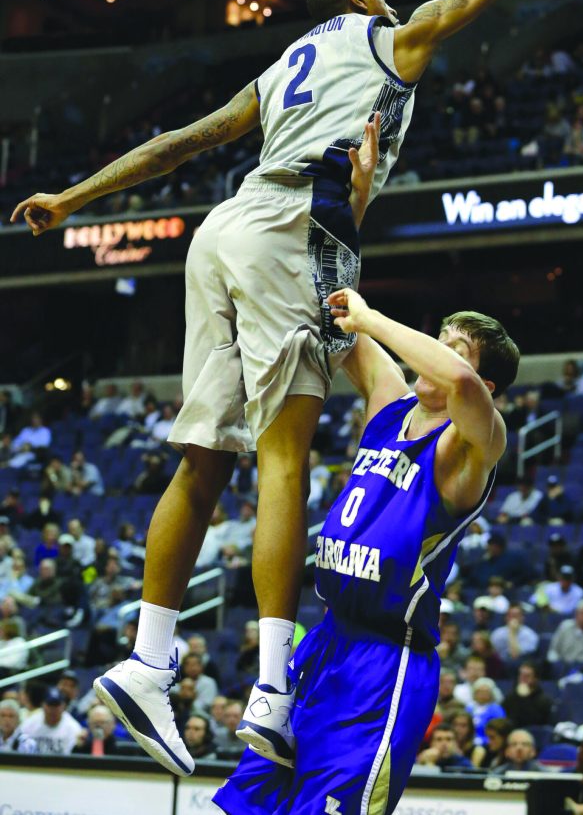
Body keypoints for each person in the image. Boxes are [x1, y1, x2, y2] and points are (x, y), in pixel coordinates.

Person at [12, 0, 583, 783]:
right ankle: (270, 693)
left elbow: (184, 140)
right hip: (294, 229)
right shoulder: (388, 38)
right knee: (286, 455)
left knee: (203, 456)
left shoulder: (286, 61)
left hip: (225, 227)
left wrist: (76, 196)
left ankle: (150, 660)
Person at [214, 285, 521, 815]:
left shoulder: (473, 445)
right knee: (242, 805)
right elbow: (344, 330)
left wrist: (371, 317)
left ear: (487, 386)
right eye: (438, 339)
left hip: (384, 667)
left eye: (455, 348)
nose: (436, 349)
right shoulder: (389, 404)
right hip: (325, 643)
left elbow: (458, 379)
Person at [17, 687, 84, 755]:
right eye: (50, 705)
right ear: (43, 705)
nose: (53, 710)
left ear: (63, 706)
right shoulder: (30, 724)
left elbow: (72, 758)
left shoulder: (73, 728)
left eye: (56, 705)